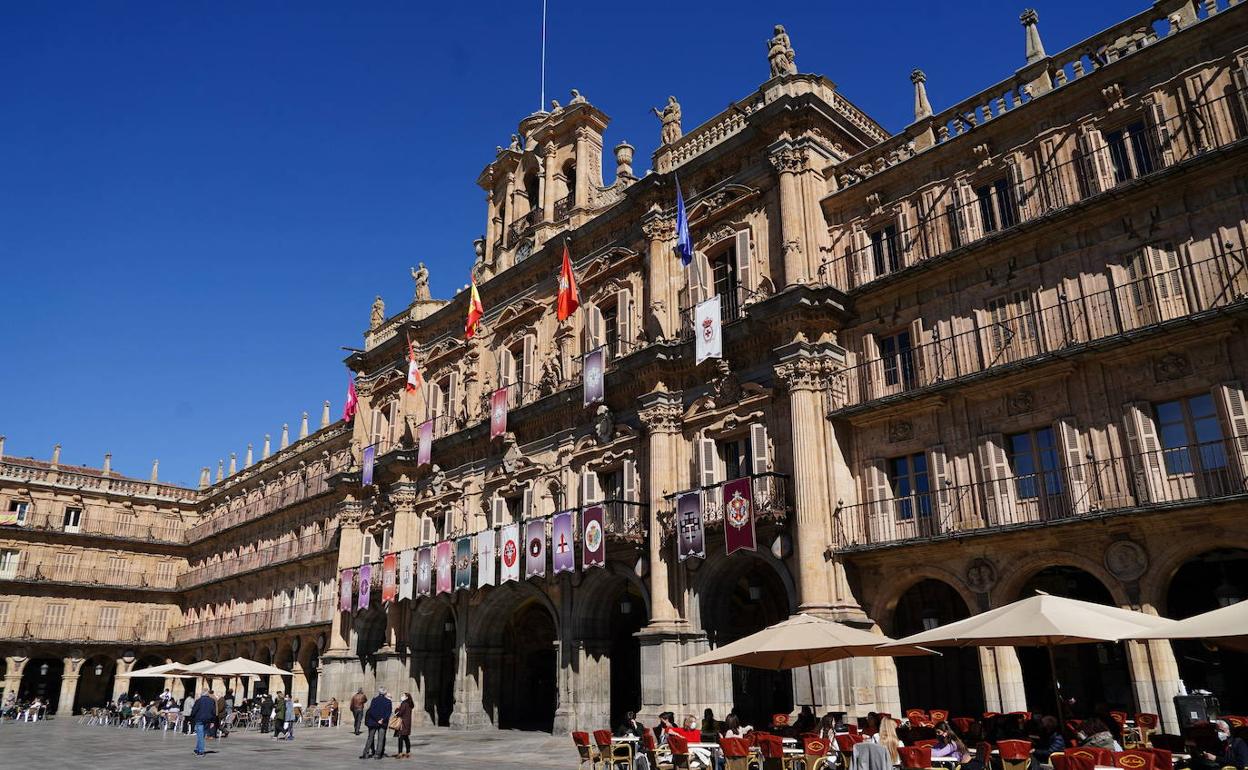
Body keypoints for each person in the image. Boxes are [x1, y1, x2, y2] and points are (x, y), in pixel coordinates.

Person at [361, 687, 393, 759]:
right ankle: (377, 755)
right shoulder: (388, 701)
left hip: (373, 721)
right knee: (381, 739)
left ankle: (365, 753)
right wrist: (382, 719)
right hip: (383, 722)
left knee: (370, 738)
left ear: (379, 692)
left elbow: (371, 711)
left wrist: (377, 719)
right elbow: (388, 713)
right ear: (385, 693)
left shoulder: (374, 700)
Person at [190, 689, 216, 757]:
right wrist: (213, 721)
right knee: (202, 735)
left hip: (200, 719)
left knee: (200, 736)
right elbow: (214, 712)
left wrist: (192, 717)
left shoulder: (199, 700)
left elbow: (194, 710)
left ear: (202, 694)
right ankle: (197, 749)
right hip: (208, 720)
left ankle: (201, 751)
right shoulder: (212, 701)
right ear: (208, 694)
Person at [394, 693, 414, 759]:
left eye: (403, 696)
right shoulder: (409, 704)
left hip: (402, 724)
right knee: (406, 738)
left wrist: (396, 709)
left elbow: (400, 713)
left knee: (400, 738)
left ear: (406, 697)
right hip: (407, 723)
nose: (401, 696)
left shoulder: (404, 704)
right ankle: (408, 752)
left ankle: (400, 753)